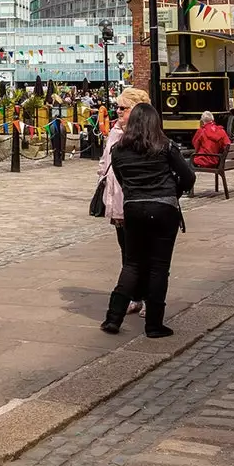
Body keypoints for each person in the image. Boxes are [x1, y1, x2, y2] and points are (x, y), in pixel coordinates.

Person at [101, 102, 195, 338]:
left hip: (134, 208)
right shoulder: (165, 146)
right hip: (164, 208)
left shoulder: (119, 151)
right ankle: (154, 325)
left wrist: (135, 194)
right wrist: (174, 191)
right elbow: (188, 176)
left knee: (132, 264)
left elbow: (121, 179)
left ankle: (113, 318)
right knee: (159, 267)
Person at [97, 87, 151, 317]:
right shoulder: (115, 132)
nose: (117, 111)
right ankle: (135, 297)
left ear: (137, 110)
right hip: (116, 202)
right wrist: (102, 177)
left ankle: (149, 297)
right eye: (117, 107)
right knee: (126, 252)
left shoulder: (144, 134)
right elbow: (105, 160)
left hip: (135, 201)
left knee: (142, 252)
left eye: (123, 107)